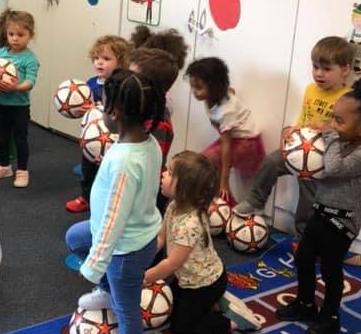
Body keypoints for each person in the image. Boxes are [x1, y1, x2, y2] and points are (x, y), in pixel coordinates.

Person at [65, 70, 164, 334]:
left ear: (115, 114)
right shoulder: (147, 143)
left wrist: (96, 265)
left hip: (126, 248)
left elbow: (113, 221)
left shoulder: (124, 161)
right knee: (74, 237)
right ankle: (108, 292)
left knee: (128, 309)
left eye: (103, 103)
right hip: (136, 234)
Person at [276, 75, 361, 334]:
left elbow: (334, 168)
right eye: (333, 118)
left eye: (339, 121)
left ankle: (330, 316)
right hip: (322, 212)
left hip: (343, 222)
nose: (333, 125)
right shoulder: (344, 141)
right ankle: (305, 304)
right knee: (303, 257)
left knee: (330, 269)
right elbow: (317, 160)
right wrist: (303, 136)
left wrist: (328, 135)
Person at [234, 36, 353, 237]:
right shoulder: (310, 89)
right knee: (272, 161)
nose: (319, 74)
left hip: (321, 157)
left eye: (326, 69)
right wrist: (291, 131)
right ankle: (256, 201)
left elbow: (348, 131)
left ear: (345, 70)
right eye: (315, 67)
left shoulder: (348, 98)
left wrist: (327, 128)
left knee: (309, 194)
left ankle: (302, 235)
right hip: (299, 147)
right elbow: (303, 117)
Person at [144, 151, 262, 334]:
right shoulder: (174, 206)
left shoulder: (190, 225)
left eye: (171, 173)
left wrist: (144, 278)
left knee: (181, 328)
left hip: (205, 283)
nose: (163, 174)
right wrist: (141, 263)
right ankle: (213, 304)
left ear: (185, 188)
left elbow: (172, 263)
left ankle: (231, 321)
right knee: (167, 307)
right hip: (187, 279)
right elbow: (160, 238)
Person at [65, 34, 130, 214]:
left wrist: (100, 109)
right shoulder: (91, 83)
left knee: (110, 172)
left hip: (114, 138)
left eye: (106, 59)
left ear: (121, 62)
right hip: (92, 137)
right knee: (87, 169)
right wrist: (81, 109)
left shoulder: (123, 84)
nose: (99, 63)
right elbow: (85, 107)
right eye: (96, 58)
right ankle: (86, 197)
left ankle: (109, 202)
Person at [186, 56, 265, 202]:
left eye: (199, 88)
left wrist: (224, 181)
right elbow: (232, 91)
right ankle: (215, 202)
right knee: (206, 165)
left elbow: (227, 146)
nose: (194, 92)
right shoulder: (219, 93)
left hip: (246, 143)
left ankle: (224, 205)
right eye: (192, 86)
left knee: (206, 163)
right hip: (234, 138)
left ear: (214, 87)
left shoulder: (225, 111)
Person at [128, 26, 188, 210]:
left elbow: (151, 161)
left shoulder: (159, 122)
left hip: (148, 188)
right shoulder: (143, 106)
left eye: (133, 77)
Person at [0, 7, 39, 188]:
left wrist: (16, 87)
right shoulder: (1, 53)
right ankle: (4, 166)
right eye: (11, 34)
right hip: (1, 104)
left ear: (30, 35)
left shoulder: (30, 59)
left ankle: (23, 171)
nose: (15, 38)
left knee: (20, 139)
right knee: (2, 137)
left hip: (19, 107)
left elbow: (30, 82)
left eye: (20, 34)